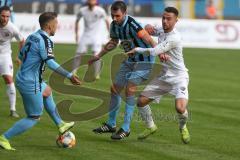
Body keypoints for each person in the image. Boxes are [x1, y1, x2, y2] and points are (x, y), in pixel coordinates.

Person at [0, 12, 81, 150]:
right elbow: (50, 63)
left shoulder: (32, 36)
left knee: (47, 91)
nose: (57, 26)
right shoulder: (46, 40)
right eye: (56, 24)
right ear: (49, 25)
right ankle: (4, 138)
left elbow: (21, 55)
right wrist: (69, 76)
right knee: (34, 116)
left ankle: (61, 124)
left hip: (25, 78)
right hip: (30, 82)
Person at [89, 1, 157, 140]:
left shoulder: (133, 25)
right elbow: (113, 42)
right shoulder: (114, 25)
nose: (114, 18)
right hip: (130, 61)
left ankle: (126, 128)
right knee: (114, 89)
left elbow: (149, 39)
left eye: (117, 16)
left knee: (130, 89)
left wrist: (161, 52)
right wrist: (98, 56)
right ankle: (111, 124)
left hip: (144, 62)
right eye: (112, 15)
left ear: (125, 13)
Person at [126, 7, 191, 144]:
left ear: (176, 20)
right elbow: (149, 29)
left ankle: (183, 126)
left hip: (179, 77)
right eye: (163, 18)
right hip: (163, 76)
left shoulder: (175, 38)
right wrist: (147, 27)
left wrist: (137, 49)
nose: (165, 21)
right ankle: (150, 126)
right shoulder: (161, 29)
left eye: (169, 19)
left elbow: (154, 51)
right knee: (141, 102)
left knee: (180, 108)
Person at [73, 0, 110, 80]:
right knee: (79, 53)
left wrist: (109, 33)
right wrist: (76, 34)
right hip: (85, 35)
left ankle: (96, 74)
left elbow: (107, 21)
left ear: (96, 2)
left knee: (96, 55)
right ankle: (74, 71)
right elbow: (77, 21)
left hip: (96, 36)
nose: (91, 1)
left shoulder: (100, 11)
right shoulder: (82, 10)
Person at [0, 6, 24, 118]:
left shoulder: (12, 28)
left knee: (9, 79)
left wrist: (19, 57)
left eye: (7, 16)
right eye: (3, 16)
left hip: (5, 56)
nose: (5, 19)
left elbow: (22, 40)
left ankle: (12, 109)